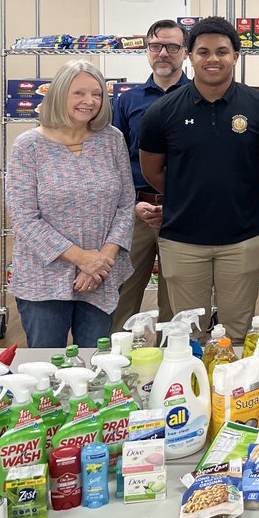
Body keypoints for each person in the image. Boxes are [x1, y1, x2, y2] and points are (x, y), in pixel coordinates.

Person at [138, 16, 259, 344]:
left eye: (222, 51)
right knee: (190, 335)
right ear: (190, 56)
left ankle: (233, 393)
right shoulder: (162, 112)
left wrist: (237, 186)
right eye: (203, 52)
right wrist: (189, 191)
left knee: (236, 332)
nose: (212, 59)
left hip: (242, 237)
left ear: (235, 55)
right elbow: (152, 171)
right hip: (183, 240)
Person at [5, 59, 135, 347]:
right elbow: (24, 219)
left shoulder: (112, 140)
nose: (89, 101)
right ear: (59, 94)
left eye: (97, 94)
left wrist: (102, 260)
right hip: (44, 281)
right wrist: (82, 258)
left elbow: (126, 205)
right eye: (79, 93)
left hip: (102, 276)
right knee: (46, 366)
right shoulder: (28, 146)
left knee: (96, 366)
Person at [111, 18, 189, 329]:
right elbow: (114, 161)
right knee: (123, 297)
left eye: (172, 47)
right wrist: (131, 204)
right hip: (137, 211)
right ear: (147, 51)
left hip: (184, 213)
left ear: (184, 52)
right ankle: (116, 365)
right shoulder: (128, 100)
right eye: (156, 46)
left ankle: (176, 367)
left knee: (179, 302)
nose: (163, 53)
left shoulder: (200, 97)